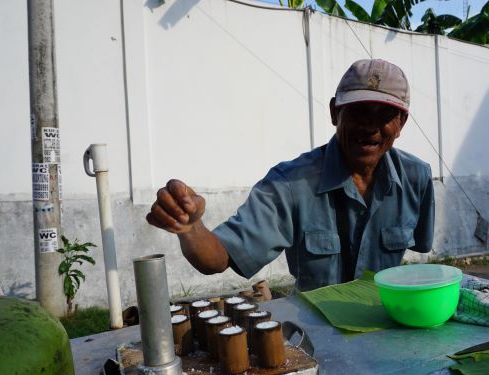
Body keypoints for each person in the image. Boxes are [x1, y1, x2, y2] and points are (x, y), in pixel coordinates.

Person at [147, 59, 434, 291]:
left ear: (401, 123)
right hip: (318, 338)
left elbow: (421, 251)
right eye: (359, 111)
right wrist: (190, 228)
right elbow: (218, 258)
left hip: (388, 327)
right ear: (335, 113)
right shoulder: (289, 184)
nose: (370, 127)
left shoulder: (416, 178)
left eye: (384, 115)